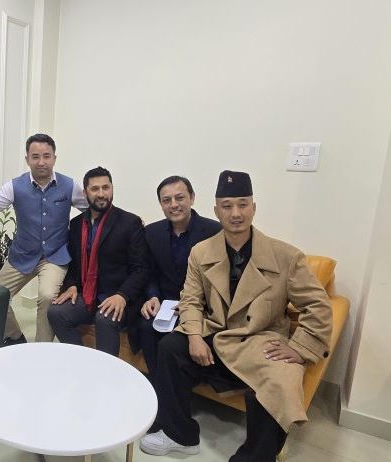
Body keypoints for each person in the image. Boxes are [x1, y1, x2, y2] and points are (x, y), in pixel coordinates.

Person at [140, 170, 332, 461]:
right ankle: (180, 435)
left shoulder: (286, 256)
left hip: (260, 340)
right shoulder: (201, 252)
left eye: (243, 204)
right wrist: (194, 335)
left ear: (254, 208)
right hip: (214, 333)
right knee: (170, 347)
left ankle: (256, 457)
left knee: (280, 380)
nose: (236, 213)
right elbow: (190, 299)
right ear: (216, 211)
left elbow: (318, 305)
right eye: (227, 206)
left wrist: (300, 347)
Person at [0, 133, 88, 344]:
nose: (41, 162)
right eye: (35, 156)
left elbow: (92, 209)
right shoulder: (14, 186)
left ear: (54, 158)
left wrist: (125, 220)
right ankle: (15, 336)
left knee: (47, 296)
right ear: (27, 159)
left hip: (55, 256)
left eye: (46, 156)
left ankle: (41, 349)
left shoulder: (69, 186)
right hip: (22, 255)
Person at [47, 167, 147, 355]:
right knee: (56, 313)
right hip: (86, 296)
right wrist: (72, 285)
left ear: (112, 188)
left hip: (117, 296)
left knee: (104, 319)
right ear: (85, 193)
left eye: (105, 187)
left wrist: (122, 295)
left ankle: (107, 371)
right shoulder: (76, 225)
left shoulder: (130, 222)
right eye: (95, 189)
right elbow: (73, 263)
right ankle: (82, 361)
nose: (101, 194)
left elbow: (140, 269)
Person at [130, 176, 220, 376]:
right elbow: (149, 272)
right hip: (165, 304)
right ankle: (156, 383)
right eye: (167, 200)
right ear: (161, 204)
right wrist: (152, 296)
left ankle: (180, 385)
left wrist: (195, 304)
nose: (174, 205)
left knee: (173, 341)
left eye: (179, 198)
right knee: (146, 326)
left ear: (192, 198)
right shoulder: (151, 232)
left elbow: (219, 280)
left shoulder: (214, 232)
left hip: (200, 307)